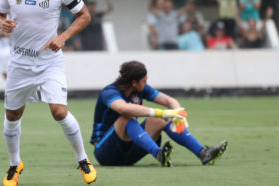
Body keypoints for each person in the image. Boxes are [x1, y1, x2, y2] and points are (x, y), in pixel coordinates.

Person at [0, 0, 97, 186]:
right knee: (12, 115)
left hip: (49, 62)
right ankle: (14, 164)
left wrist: (63, 37)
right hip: (19, 62)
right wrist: (1, 24)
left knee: (59, 111)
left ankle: (82, 159)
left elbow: (85, 15)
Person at [91, 60, 228, 167]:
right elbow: (124, 109)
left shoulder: (140, 89)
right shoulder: (109, 92)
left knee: (160, 121)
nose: (146, 83)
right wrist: (162, 112)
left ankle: (203, 153)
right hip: (105, 153)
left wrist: (177, 114)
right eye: (144, 81)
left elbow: (169, 100)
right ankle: (158, 153)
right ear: (134, 82)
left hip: (128, 154)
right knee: (127, 118)